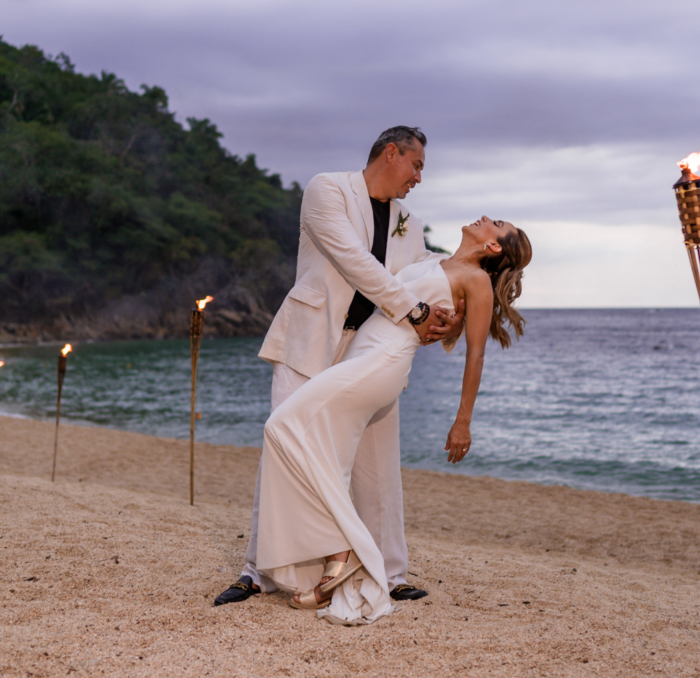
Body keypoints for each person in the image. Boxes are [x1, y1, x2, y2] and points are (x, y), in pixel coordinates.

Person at [215, 126, 463, 606]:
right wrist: (414, 312)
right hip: (309, 339)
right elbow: (353, 261)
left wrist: (459, 303)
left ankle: (390, 573)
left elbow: (425, 271)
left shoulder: (408, 220)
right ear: (391, 153)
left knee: (377, 464)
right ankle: (256, 571)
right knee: (284, 445)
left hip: (370, 350)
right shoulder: (326, 188)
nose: (417, 178)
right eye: (416, 166)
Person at [258, 216, 531, 624]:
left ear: (494, 247)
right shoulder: (437, 261)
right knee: (325, 457)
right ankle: (332, 563)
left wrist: (463, 421)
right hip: (363, 353)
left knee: (281, 426)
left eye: (496, 223)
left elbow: (476, 354)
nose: (484, 219)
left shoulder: (475, 281)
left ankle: (341, 553)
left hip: (382, 362)